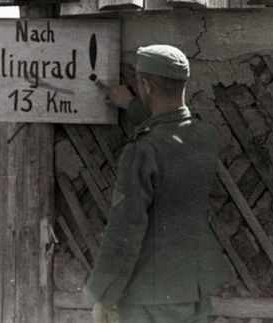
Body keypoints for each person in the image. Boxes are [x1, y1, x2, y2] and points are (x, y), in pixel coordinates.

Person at [84, 45, 233, 323]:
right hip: (193, 288)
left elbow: (125, 229)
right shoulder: (202, 135)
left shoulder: (142, 151)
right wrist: (130, 105)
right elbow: (171, 132)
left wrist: (105, 295)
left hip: (149, 298)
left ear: (146, 86)